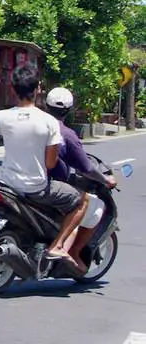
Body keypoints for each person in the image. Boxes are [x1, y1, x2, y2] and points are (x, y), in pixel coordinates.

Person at [0, 65, 88, 270]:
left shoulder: (1, 117)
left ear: (13, 89)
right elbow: (51, 163)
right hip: (36, 188)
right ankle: (58, 245)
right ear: (37, 90)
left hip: (5, 184)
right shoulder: (48, 122)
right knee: (81, 201)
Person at [44, 87, 116, 272]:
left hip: (15, 181)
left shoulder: (33, 126)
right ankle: (71, 250)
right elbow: (86, 168)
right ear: (69, 110)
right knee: (90, 205)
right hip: (49, 187)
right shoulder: (66, 134)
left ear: (45, 105)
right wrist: (105, 180)